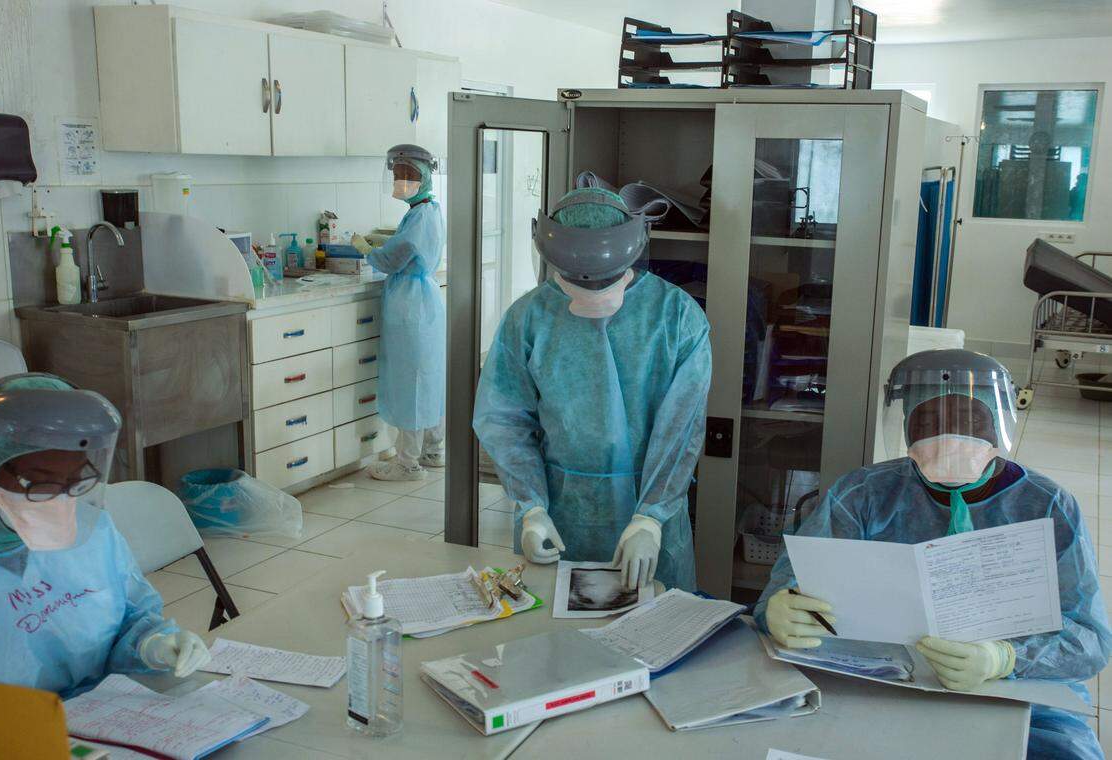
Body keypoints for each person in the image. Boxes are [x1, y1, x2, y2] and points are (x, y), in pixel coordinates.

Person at [756, 349, 1112, 759]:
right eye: (927, 421)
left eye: (968, 419)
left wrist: (1005, 657)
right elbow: (786, 589)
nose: (949, 436)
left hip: (1018, 690)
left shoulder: (1047, 505)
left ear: (997, 424)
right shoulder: (862, 495)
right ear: (905, 427)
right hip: (882, 684)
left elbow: (1092, 640)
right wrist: (779, 613)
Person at [473, 187, 712, 591]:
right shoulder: (529, 318)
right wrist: (531, 509)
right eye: (578, 283)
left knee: (652, 639)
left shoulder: (676, 318)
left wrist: (649, 518)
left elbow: (681, 430)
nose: (594, 294)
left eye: (605, 281)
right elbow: (504, 420)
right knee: (548, 642)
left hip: (648, 519)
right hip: (559, 514)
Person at [0, 374, 211, 698]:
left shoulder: (92, 532)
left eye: (75, 480)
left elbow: (127, 616)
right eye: (42, 483)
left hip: (104, 720)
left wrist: (152, 643)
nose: (61, 500)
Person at [354, 144, 446, 482]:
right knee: (428, 376)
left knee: (411, 382)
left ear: (421, 179)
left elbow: (395, 257)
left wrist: (367, 250)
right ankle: (434, 449)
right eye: (396, 175)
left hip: (411, 304)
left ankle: (408, 463)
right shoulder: (428, 209)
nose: (399, 181)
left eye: (405, 175)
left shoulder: (421, 215)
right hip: (423, 302)